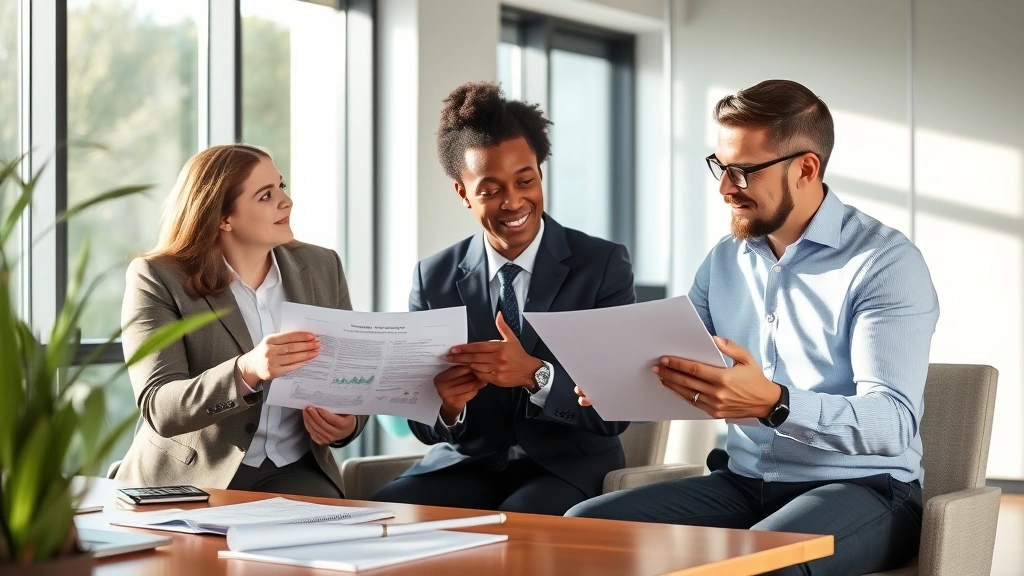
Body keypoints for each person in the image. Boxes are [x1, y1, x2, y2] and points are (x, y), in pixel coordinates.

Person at [567, 80, 939, 575]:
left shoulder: (884, 263)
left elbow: (893, 423)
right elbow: (677, 356)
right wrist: (617, 376)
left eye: (742, 171)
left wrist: (775, 403)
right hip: (745, 482)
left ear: (805, 168)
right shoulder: (724, 260)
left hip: (864, 491)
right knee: (582, 530)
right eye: (721, 167)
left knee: (756, 563)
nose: (724, 188)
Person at [371, 82, 635, 515]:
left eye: (525, 181)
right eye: (490, 190)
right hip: (467, 464)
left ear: (540, 174)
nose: (513, 202)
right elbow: (422, 421)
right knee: (382, 515)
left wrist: (536, 375)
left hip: (565, 468)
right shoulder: (432, 276)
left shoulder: (602, 265)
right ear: (463, 193)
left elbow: (616, 408)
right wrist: (448, 407)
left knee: (520, 527)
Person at [115, 144, 367, 498]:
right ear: (223, 217)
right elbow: (161, 406)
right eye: (266, 195)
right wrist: (246, 371)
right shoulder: (157, 277)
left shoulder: (323, 266)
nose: (286, 201)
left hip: (296, 470)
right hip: (193, 474)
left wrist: (346, 424)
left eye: (282, 186)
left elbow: (352, 378)